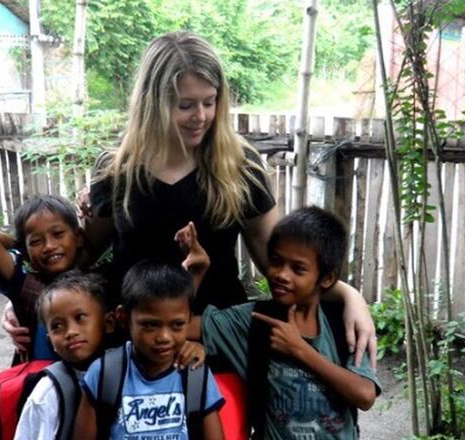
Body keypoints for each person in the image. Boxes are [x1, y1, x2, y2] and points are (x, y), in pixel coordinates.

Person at [80, 31, 377, 366]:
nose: (201, 116)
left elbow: (276, 263)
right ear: (153, 103)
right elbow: (83, 256)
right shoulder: (117, 170)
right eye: (185, 105)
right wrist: (28, 301)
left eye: (210, 101)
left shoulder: (240, 164)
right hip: (134, 344)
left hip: (216, 342)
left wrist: (349, 295)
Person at [189, 207, 381, 439]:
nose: (281, 274)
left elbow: (365, 395)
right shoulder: (253, 321)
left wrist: (299, 349)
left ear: (327, 278)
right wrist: (195, 277)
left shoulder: (344, 323)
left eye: (298, 269)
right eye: (276, 262)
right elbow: (181, 326)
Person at [73, 260, 225, 440]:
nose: (164, 337)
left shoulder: (196, 375)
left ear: (189, 319)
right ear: (123, 318)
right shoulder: (104, 372)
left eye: (177, 325)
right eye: (150, 325)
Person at [0, 194, 84, 361]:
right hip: (38, 380)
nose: (49, 246)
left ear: (78, 238)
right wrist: (24, 249)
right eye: (36, 242)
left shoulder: (93, 279)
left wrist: (30, 246)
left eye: (58, 234)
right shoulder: (25, 284)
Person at [14, 271, 115, 440]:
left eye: (80, 317)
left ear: (109, 323)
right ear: (49, 341)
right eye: (57, 326)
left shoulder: (128, 374)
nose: (70, 332)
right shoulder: (47, 393)